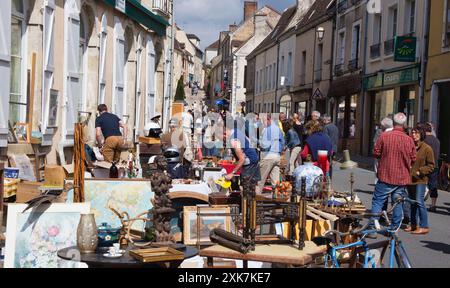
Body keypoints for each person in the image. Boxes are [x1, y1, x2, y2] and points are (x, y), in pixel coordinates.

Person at [370, 113, 416, 234]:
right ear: (404, 125)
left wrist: (384, 156)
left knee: (378, 200)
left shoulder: (384, 136)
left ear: (393, 123)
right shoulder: (409, 140)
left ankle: (373, 226)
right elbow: (413, 158)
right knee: (397, 201)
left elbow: (376, 152)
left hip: (385, 174)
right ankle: (394, 227)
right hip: (401, 177)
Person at [404, 125, 434, 235]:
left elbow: (431, 165)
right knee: (412, 202)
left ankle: (424, 226)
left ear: (421, 134)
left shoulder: (427, 148)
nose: (414, 135)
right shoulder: (409, 146)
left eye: (416, 133)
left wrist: (420, 171)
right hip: (409, 179)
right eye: (412, 132)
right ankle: (413, 224)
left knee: (419, 201)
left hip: (420, 180)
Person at [223, 117, 261, 191]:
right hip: (254, 160)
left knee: (246, 189)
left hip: (250, 163)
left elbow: (242, 159)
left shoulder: (234, 139)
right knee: (252, 188)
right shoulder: (237, 131)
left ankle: (248, 202)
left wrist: (232, 173)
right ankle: (252, 201)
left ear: (225, 128)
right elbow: (248, 142)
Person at [258, 114, 285, 192]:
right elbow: (283, 142)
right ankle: (278, 200)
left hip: (267, 156)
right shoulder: (278, 129)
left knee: (260, 181)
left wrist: (258, 143)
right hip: (277, 156)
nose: (262, 123)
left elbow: (264, 145)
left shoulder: (266, 130)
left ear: (268, 119)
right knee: (276, 182)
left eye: (263, 121)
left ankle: (256, 201)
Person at [424, 122, 440, 212]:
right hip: (435, 165)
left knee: (422, 182)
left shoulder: (424, 140)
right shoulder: (437, 140)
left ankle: (420, 199)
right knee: (433, 184)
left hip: (426, 165)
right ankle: (433, 204)